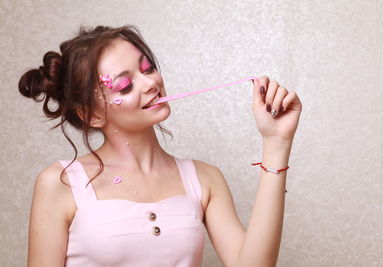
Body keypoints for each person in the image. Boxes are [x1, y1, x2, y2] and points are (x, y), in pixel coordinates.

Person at [19, 25, 302, 267]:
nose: (150, 83)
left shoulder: (205, 179)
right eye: (125, 86)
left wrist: (277, 142)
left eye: (148, 68)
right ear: (92, 114)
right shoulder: (60, 183)